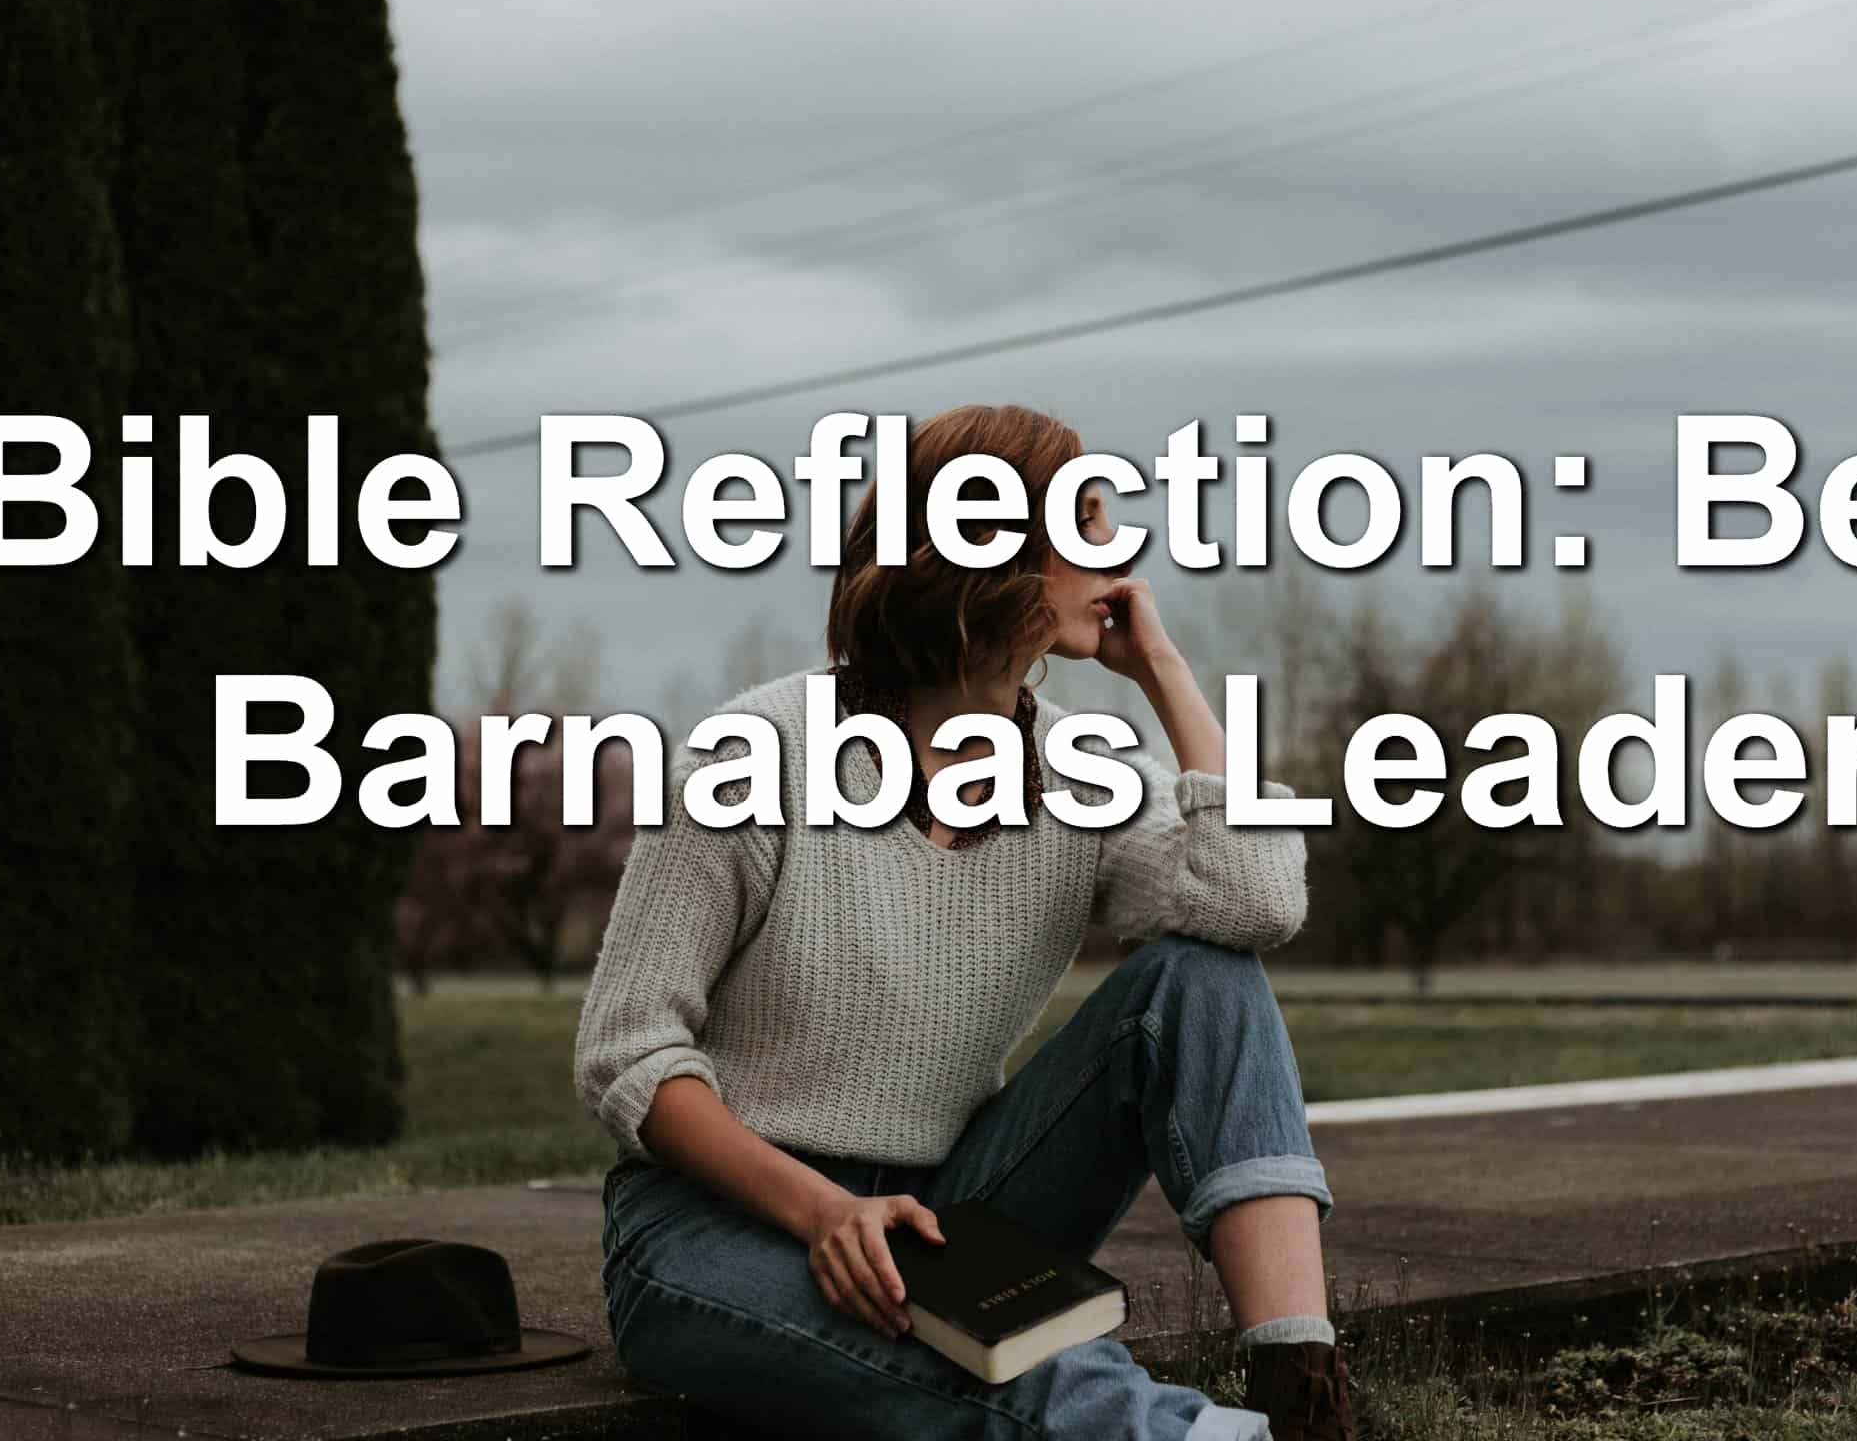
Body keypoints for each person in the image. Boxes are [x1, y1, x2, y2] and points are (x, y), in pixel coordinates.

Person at [575, 403, 1355, 1440]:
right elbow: (625, 1051)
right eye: (1083, 522)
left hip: (955, 1210)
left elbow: (1259, 899)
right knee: (1006, 1366)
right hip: (712, 1227)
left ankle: (1302, 1395)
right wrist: (823, 1211)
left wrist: (1165, 674)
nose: (1117, 552)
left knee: (1204, 982)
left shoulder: (1085, 773)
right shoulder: (759, 750)